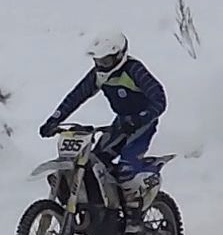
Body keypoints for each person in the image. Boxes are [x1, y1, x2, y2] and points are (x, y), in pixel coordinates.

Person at [39, 30, 167, 203]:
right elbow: (76, 96)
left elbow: (159, 100)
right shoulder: (98, 75)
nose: (101, 65)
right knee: (95, 163)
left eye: (105, 60)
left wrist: (141, 118)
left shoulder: (134, 70)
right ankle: (106, 207)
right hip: (121, 122)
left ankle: (134, 215)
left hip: (143, 123)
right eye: (98, 60)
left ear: (119, 55)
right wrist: (54, 120)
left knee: (126, 169)